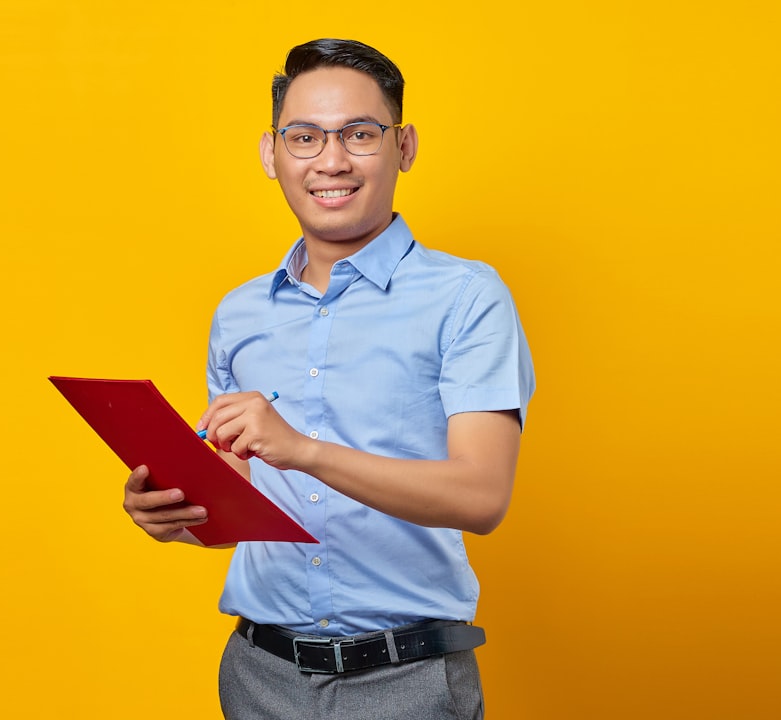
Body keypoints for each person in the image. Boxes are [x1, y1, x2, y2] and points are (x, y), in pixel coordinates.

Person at [123, 38, 535, 720]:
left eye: (360, 134)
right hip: (258, 675)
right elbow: (241, 503)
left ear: (403, 145)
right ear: (271, 153)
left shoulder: (466, 296)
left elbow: (482, 496)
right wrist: (177, 514)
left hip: (406, 679)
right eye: (306, 136)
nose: (332, 160)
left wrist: (303, 449)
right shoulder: (239, 313)